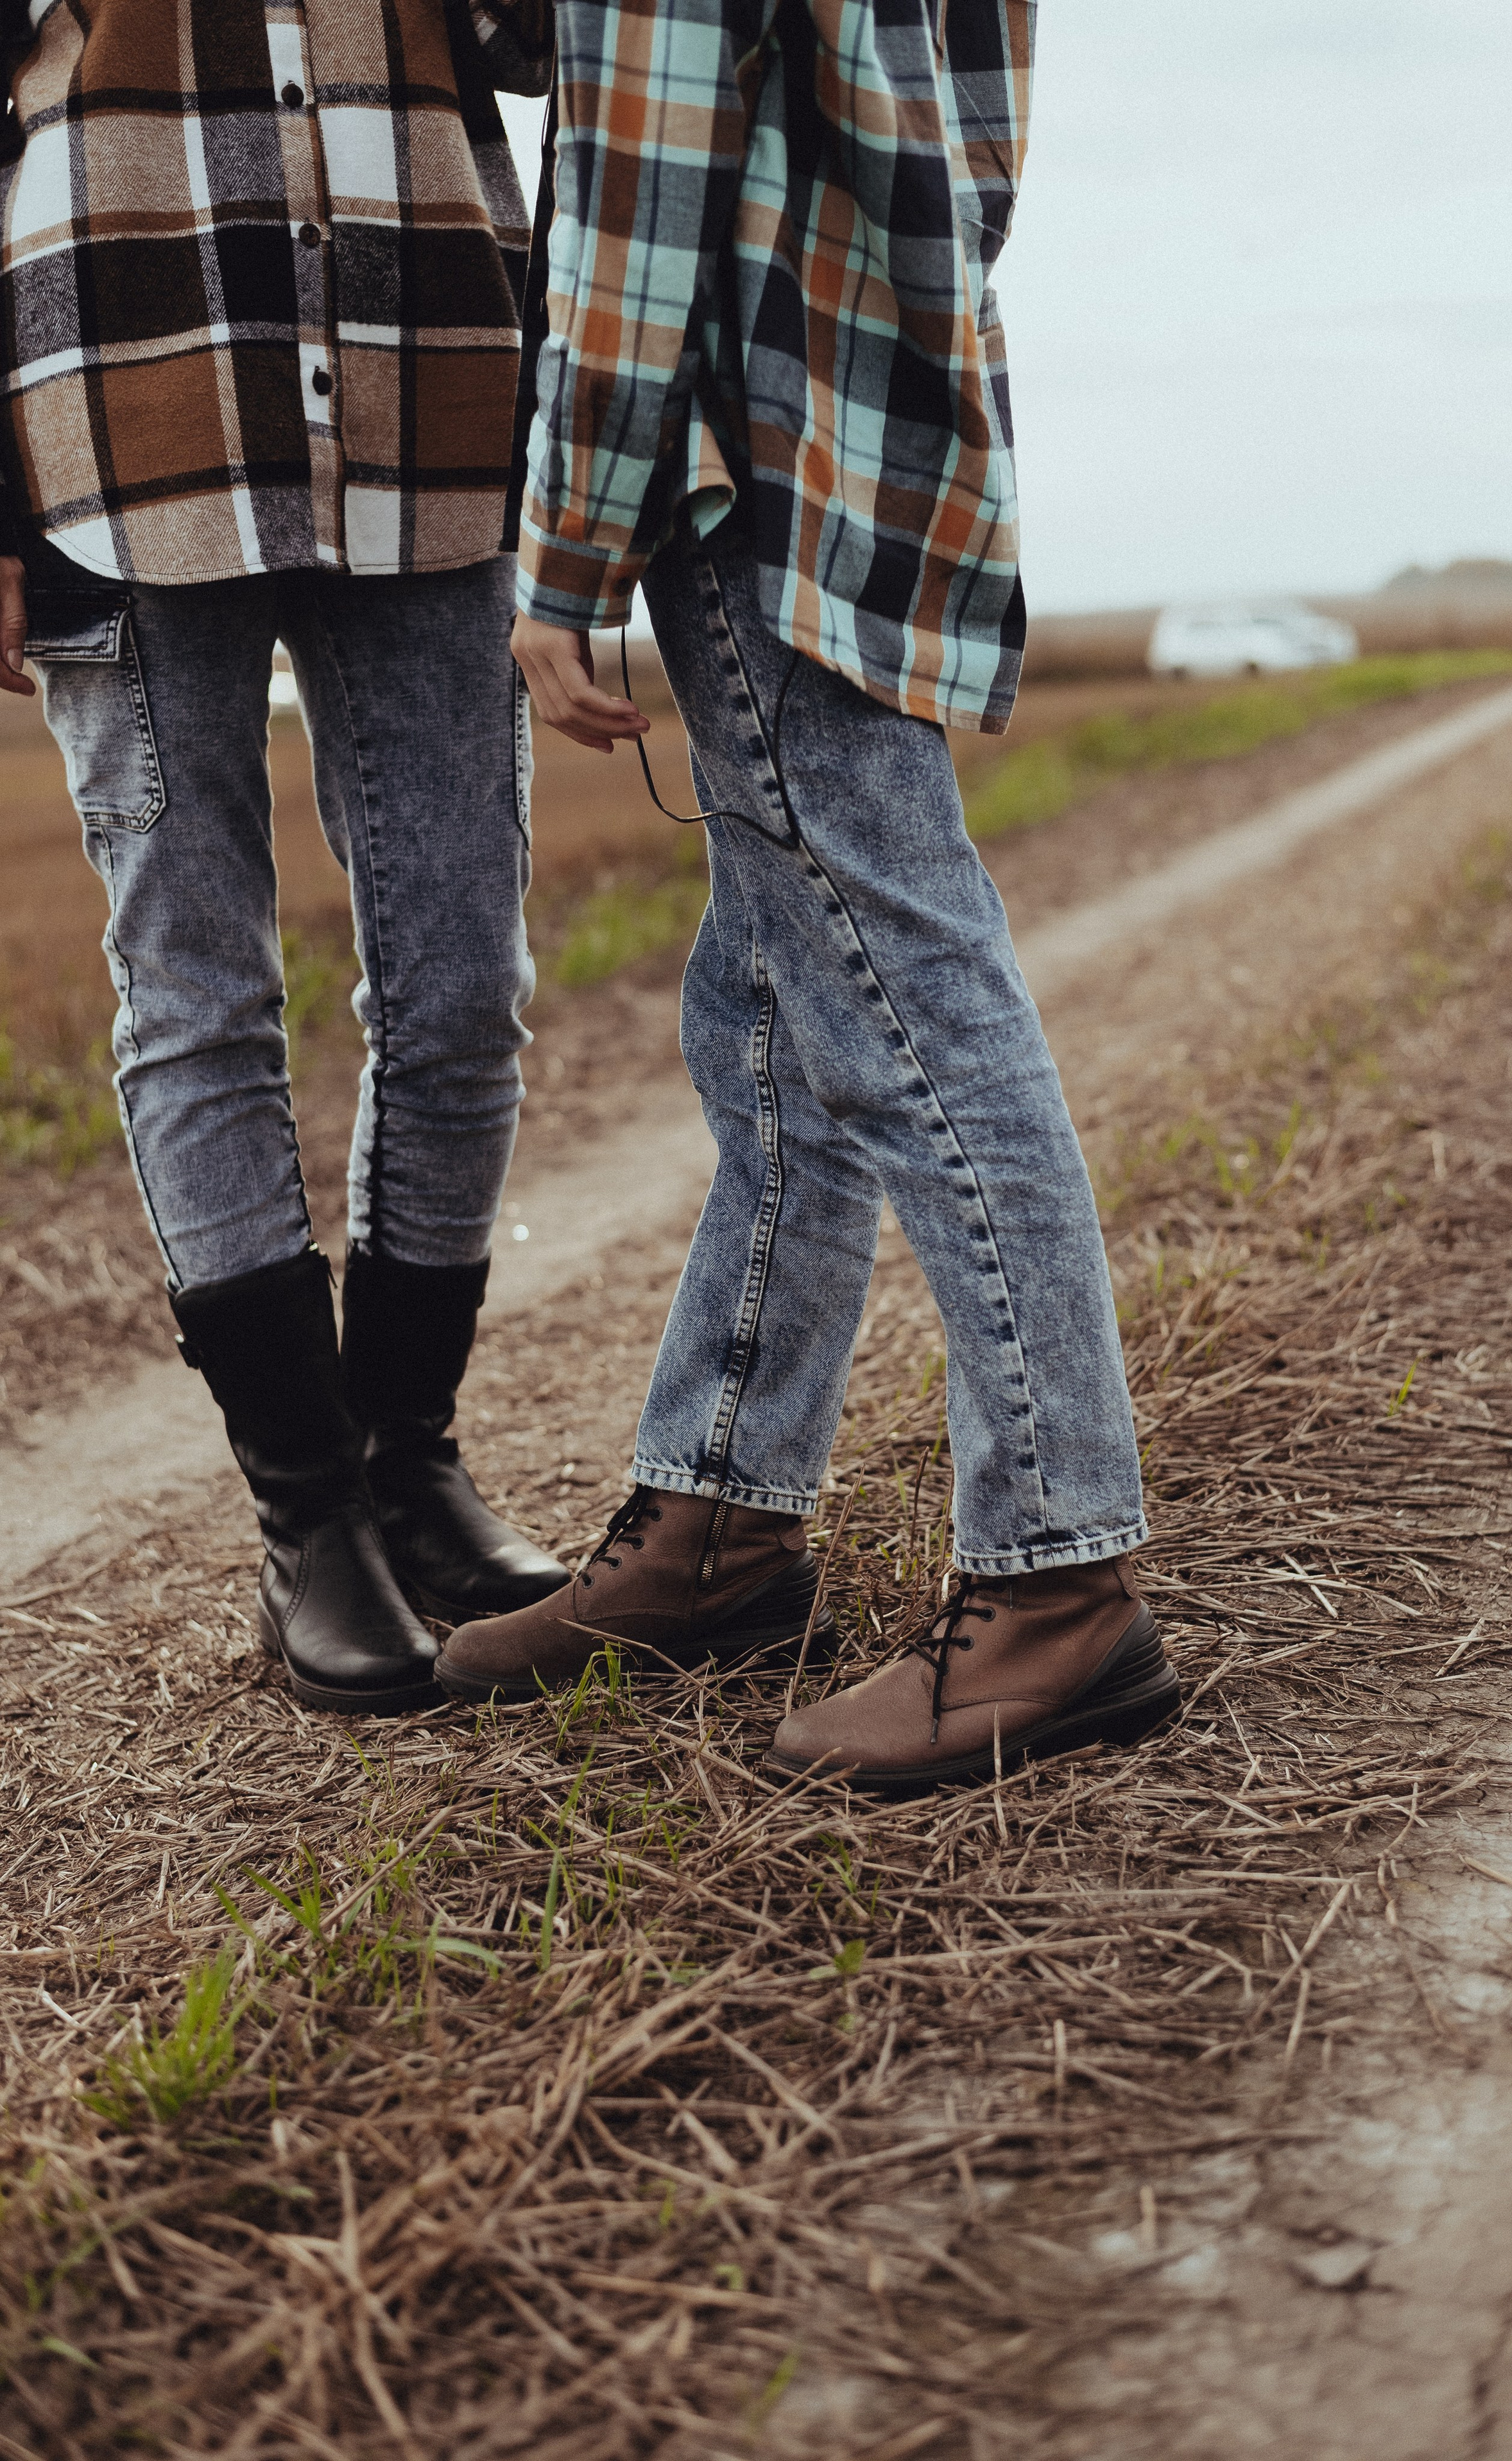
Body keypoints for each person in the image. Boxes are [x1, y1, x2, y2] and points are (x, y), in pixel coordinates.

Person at [434, 0, 1180, 1790]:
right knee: (779, 993)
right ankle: (722, 1510)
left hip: (747, 425)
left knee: (897, 981)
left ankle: (1060, 1570)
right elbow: (970, 139)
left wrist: (570, 539)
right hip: (864, 398)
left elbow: (640, 143)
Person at [0, 2, 572, 1717]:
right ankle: (310, 1520)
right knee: (196, 984)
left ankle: (411, 1467)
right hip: (112, 419)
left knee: (468, 977)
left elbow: (544, 45)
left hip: (436, 407)